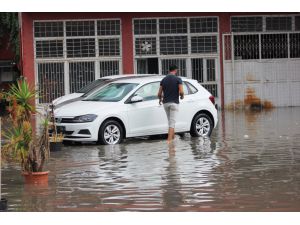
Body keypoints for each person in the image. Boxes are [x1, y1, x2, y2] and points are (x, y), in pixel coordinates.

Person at [157, 65, 184, 144]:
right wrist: (182, 96)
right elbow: (181, 92)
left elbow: (159, 94)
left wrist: (160, 99)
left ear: (169, 70)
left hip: (165, 103)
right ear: (175, 70)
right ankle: (169, 142)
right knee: (172, 123)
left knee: (170, 122)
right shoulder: (178, 79)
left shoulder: (163, 80)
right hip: (174, 103)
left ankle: (173, 138)